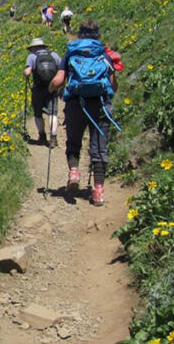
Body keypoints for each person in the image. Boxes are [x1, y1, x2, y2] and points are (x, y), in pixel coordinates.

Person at [48, 19, 118, 206]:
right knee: (99, 147)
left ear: (79, 33)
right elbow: (113, 85)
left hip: (76, 104)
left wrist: (51, 89)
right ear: (98, 34)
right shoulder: (104, 54)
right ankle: (98, 192)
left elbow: (58, 80)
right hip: (101, 105)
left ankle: (74, 173)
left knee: (73, 141)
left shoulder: (71, 53)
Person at [23, 37, 61, 146]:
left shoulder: (32, 57)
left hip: (38, 89)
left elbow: (28, 72)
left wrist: (25, 73)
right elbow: (62, 70)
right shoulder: (54, 55)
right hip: (52, 88)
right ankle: (53, 138)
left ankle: (42, 136)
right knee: (52, 113)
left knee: (38, 114)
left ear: (34, 48)